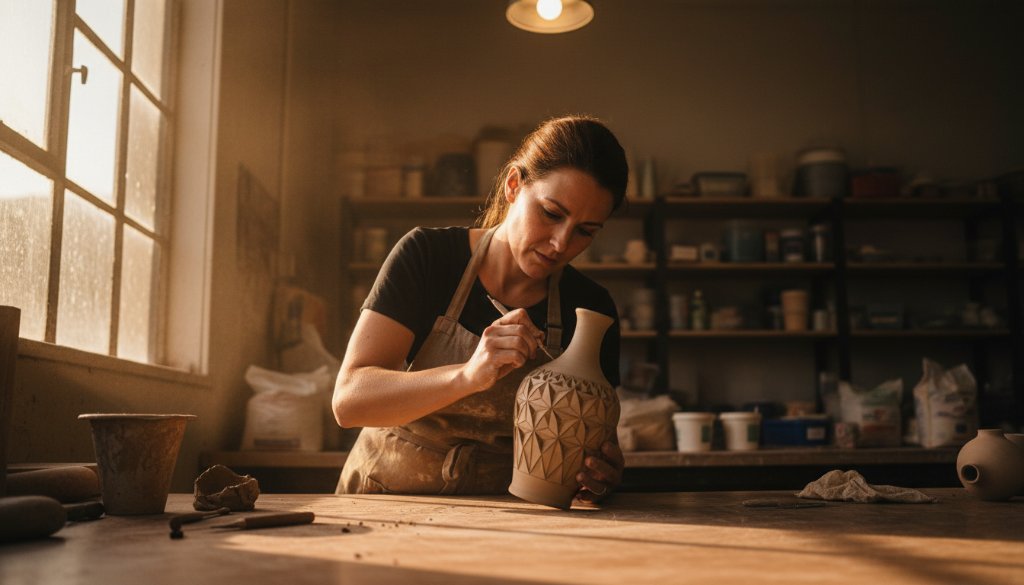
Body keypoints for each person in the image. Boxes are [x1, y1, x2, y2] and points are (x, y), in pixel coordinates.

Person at [333, 115, 628, 502]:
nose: (561, 244)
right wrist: (467, 376)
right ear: (513, 185)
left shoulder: (590, 308)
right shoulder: (428, 257)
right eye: (552, 214)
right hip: (384, 498)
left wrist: (600, 472)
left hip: (503, 514)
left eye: (585, 231)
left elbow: (596, 444)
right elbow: (350, 402)